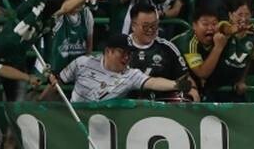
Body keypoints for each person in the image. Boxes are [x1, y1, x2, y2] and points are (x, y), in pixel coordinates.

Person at [53, 32, 190, 102]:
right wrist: (40, 101)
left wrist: (176, 85)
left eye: (129, 54)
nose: (126, 57)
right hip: (74, 119)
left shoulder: (131, 75)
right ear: (108, 51)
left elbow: (153, 82)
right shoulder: (82, 63)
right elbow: (56, 83)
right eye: (122, 52)